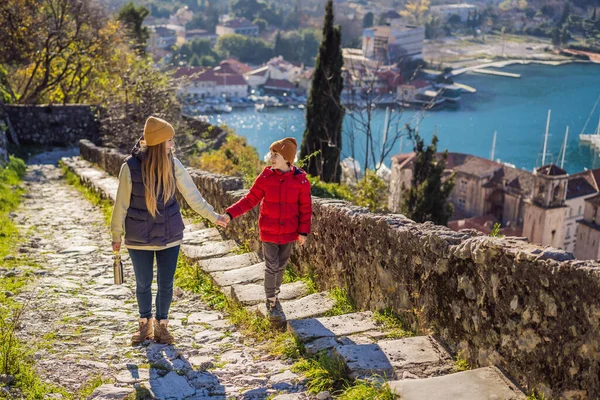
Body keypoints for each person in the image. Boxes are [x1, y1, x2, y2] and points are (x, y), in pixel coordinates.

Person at [111, 116, 229, 345]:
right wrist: (116, 235)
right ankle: (144, 325)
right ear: (159, 143)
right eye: (169, 141)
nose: (172, 145)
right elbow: (121, 204)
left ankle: (161, 327)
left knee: (166, 284)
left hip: (169, 235)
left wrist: (213, 216)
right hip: (139, 238)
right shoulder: (130, 167)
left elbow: (193, 195)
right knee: (143, 284)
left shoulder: (173, 164)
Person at [221, 137, 312, 323]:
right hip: (269, 232)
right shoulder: (266, 177)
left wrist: (303, 232)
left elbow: (306, 208)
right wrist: (229, 214)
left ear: (287, 159)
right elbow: (249, 199)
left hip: (289, 233)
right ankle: (271, 301)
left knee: (281, 265)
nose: (271, 157)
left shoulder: (300, 180)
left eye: (275, 154)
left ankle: (275, 293)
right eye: (271, 153)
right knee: (271, 266)